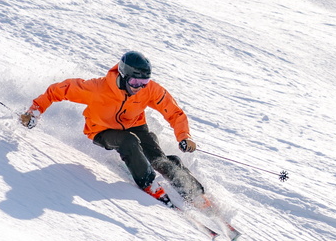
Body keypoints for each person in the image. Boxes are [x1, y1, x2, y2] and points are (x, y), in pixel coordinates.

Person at [19, 50, 208, 208]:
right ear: (123, 76)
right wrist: (34, 112)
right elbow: (57, 90)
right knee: (129, 142)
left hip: (136, 125)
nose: (139, 88)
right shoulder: (97, 89)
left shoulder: (150, 90)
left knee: (160, 160)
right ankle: (147, 182)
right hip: (102, 130)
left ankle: (193, 191)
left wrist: (184, 136)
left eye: (144, 83)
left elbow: (173, 112)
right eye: (135, 83)